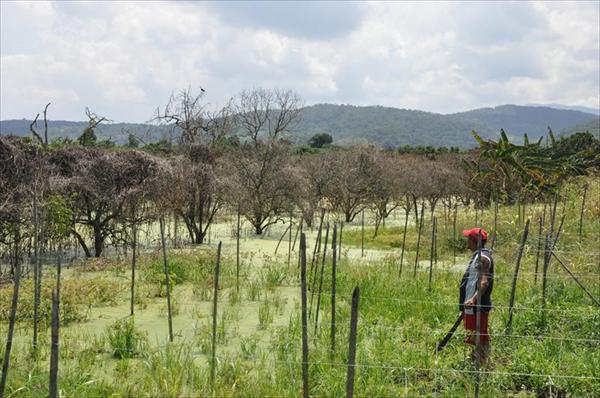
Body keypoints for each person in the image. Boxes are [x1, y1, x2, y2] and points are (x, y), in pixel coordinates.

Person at [459, 227, 494, 366]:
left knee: (480, 335)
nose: (467, 241)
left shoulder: (482, 258)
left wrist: (473, 299)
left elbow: (484, 281)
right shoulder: (477, 256)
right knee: (473, 334)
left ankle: (483, 363)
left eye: (469, 238)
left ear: (475, 241)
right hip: (471, 306)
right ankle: (476, 361)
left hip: (477, 306)